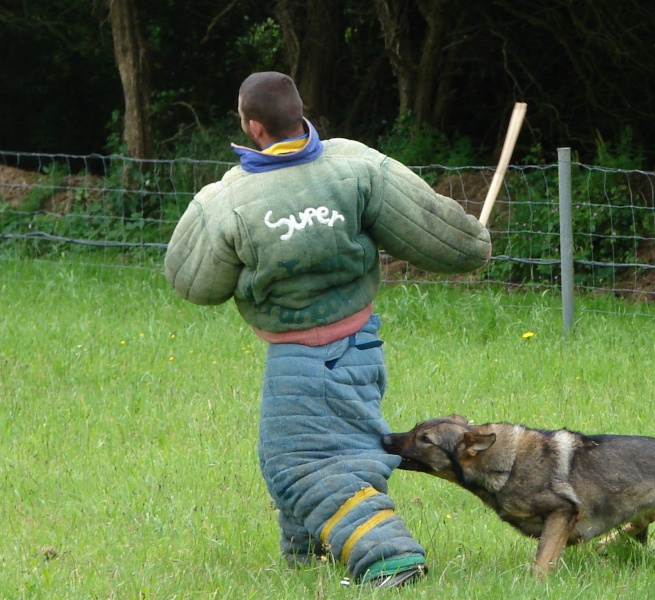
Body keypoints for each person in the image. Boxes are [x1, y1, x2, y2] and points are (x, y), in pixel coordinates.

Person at [164, 71, 491, 589]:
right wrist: (474, 240)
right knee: (309, 452)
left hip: (301, 361)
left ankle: (389, 555)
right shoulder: (356, 166)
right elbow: (451, 241)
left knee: (299, 465)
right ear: (299, 113)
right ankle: (307, 558)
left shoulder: (229, 200)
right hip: (362, 347)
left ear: (253, 127)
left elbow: (191, 283)